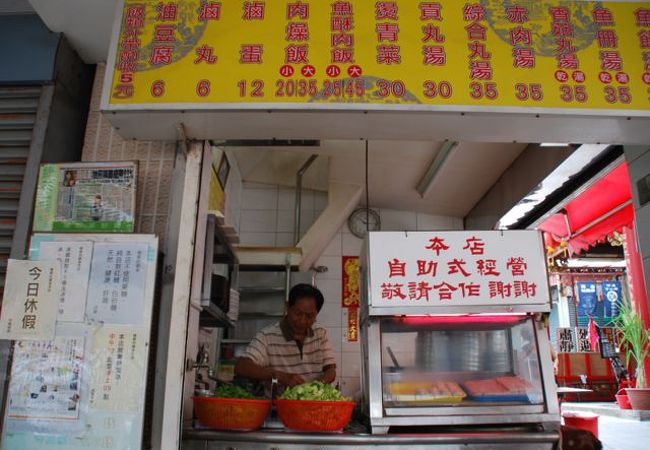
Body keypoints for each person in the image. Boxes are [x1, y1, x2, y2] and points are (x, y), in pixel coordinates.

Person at [235, 284, 336, 388]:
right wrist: (278, 376)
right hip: (279, 402)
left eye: (309, 316)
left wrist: (315, 387)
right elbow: (242, 366)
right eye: (297, 313)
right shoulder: (267, 336)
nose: (302, 321)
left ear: (316, 314)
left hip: (313, 402)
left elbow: (330, 370)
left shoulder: (320, 333)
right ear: (287, 307)